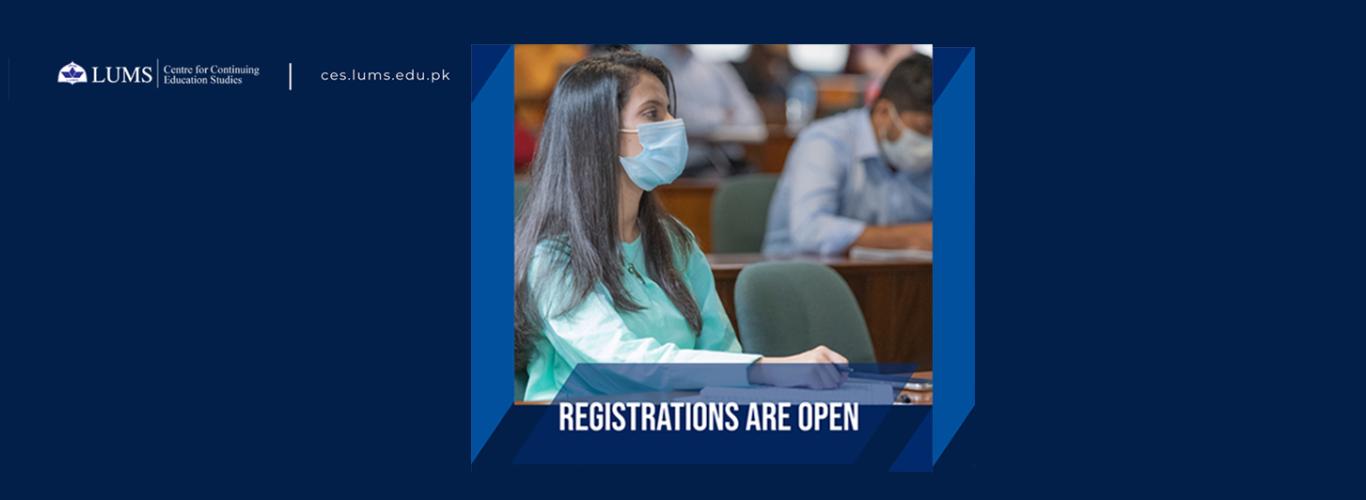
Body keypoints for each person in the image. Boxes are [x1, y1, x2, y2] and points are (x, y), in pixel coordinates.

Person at [514, 49, 848, 401]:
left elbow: (722, 355)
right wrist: (767, 369)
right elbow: (620, 363)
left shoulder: (675, 242)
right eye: (652, 113)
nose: (672, 123)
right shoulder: (552, 257)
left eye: (669, 110)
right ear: (601, 132)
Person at [763, 54, 934, 256]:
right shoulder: (825, 141)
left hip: (890, 278)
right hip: (797, 277)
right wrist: (912, 237)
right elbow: (809, 231)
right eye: (925, 128)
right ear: (883, 112)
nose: (933, 141)